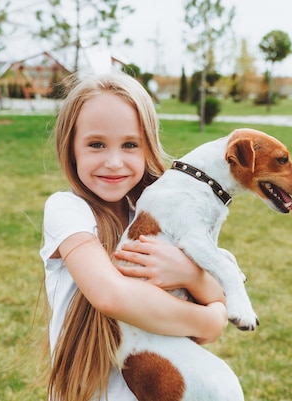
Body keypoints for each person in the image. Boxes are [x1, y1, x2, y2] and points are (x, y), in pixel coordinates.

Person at [40, 72, 228, 401]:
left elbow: (219, 293)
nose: (114, 163)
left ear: (147, 146)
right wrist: (209, 321)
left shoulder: (154, 217)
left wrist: (189, 275)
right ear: (71, 147)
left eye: (130, 145)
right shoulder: (67, 210)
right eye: (96, 144)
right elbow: (110, 296)